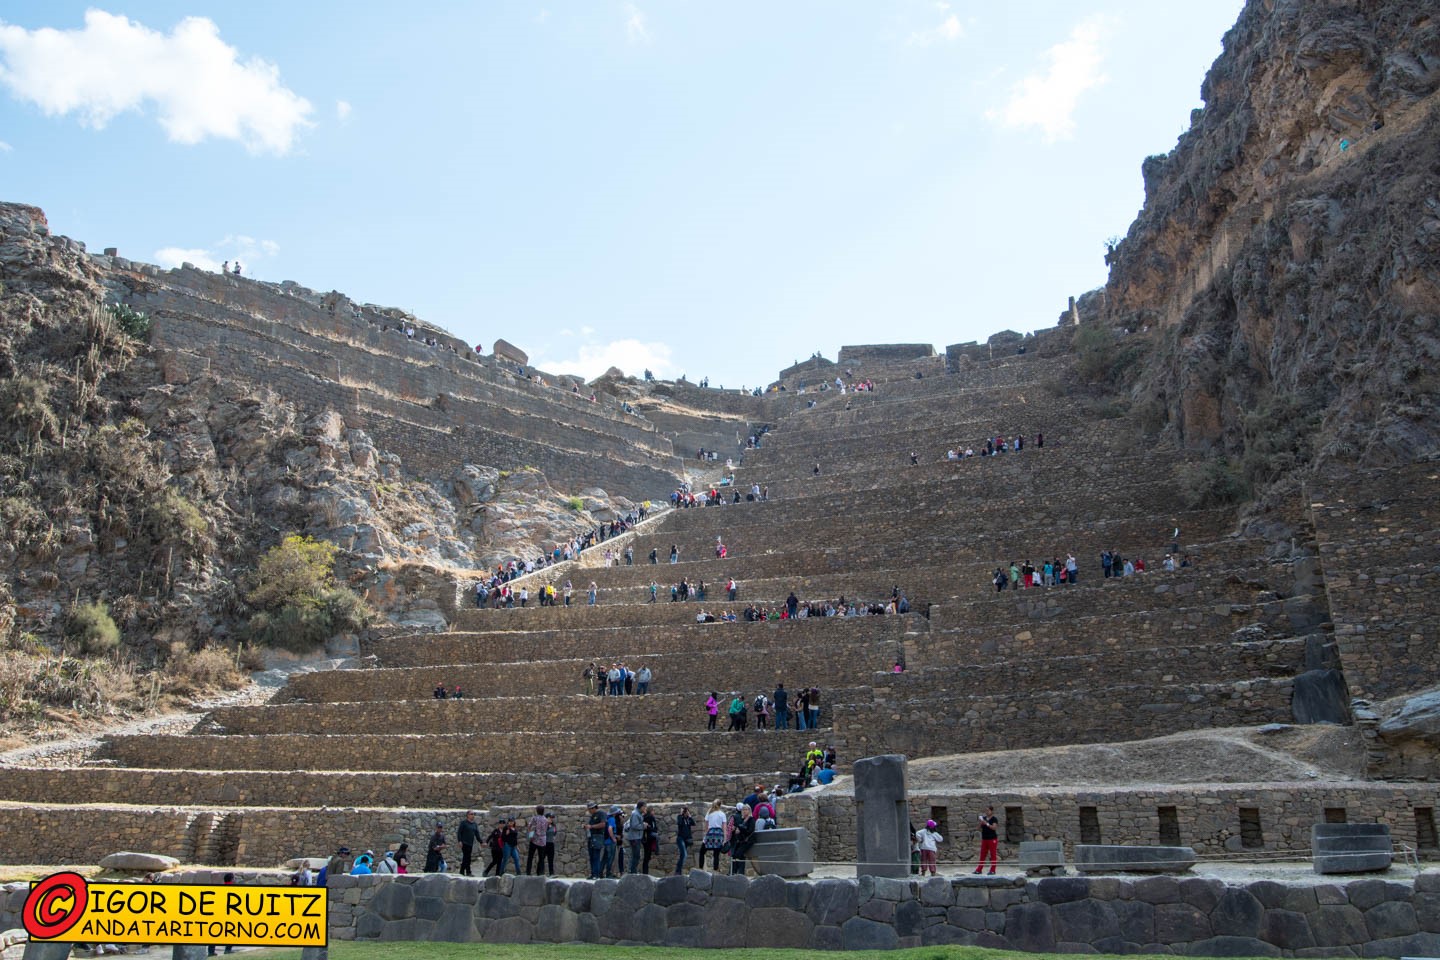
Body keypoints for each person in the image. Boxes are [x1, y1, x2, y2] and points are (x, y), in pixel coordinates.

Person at [702, 800, 728, 870]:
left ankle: (701, 868)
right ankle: (715, 869)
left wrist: (705, 836)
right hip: (719, 834)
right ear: (720, 805)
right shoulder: (722, 814)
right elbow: (724, 828)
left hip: (710, 833)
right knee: (716, 854)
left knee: (702, 851)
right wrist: (725, 839)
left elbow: (706, 826)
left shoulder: (709, 813)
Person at [526, 805, 551, 875]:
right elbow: (547, 829)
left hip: (534, 839)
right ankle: (541, 873)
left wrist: (530, 834)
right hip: (542, 841)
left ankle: (528, 872)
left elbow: (530, 826)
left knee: (530, 857)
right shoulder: (546, 820)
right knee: (541, 858)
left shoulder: (534, 818)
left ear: (537, 811)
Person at [976, 806, 999, 874]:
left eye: (988, 810)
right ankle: (979, 870)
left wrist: (986, 823)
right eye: (986, 810)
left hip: (992, 839)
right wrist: (981, 822)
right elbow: (978, 828)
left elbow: (994, 828)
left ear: (992, 811)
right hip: (984, 839)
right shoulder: (984, 818)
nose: (987, 812)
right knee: (982, 854)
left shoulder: (994, 819)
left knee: (993, 854)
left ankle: (992, 870)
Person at [585, 802, 606, 879]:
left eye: (590, 809)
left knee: (596, 856)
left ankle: (596, 874)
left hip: (597, 836)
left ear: (593, 808)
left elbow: (603, 824)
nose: (589, 811)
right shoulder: (593, 815)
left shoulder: (601, 813)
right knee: (592, 856)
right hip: (591, 836)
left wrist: (591, 826)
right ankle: (593, 873)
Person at [458, 809, 480, 876]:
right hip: (464, 843)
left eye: (473, 814)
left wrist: (481, 842)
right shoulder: (464, 823)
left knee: (467, 858)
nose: (473, 815)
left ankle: (462, 871)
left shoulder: (474, 824)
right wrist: (460, 841)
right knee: (467, 857)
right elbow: (459, 832)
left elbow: (477, 834)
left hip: (470, 843)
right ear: (467, 815)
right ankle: (468, 872)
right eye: (471, 814)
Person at [627, 802, 647, 873]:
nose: (645, 808)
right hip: (634, 838)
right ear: (641, 807)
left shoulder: (638, 814)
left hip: (637, 837)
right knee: (636, 855)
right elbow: (634, 826)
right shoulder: (636, 814)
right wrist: (643, 826)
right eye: (645, 807)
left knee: (636, 855)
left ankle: (633, 871)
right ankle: (633, 872)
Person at [674, 805, 695, 874]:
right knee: (684, 855)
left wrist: (690, 816)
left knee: (682, 856)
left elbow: (693, 823)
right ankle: (678, 871)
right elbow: (679, 823)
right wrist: (680, 814)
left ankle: (679, 872)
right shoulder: (680, 817)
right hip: (680, 839)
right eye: (685, 812)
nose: (686, 813)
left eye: (687, 811)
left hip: (686, 840)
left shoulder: (688, 819)